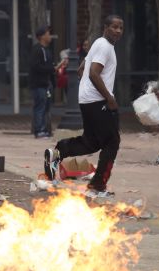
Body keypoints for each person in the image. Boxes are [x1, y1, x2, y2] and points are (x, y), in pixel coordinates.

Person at [44, 15, 123, 196]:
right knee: (112, 142)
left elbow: (82, 70)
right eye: (114, 27)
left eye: (121, 28)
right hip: (98, 101)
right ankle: (97, 186)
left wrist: (87, 90)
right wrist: (108, 98)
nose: (118, 31)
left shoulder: (98, 43)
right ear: (105, 27)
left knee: (91, 142)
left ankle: (57, 152)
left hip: (88, 100)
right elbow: (94, 73)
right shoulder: (105, 47)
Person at [30, 26, 55, 138]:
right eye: (47, 34)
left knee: (46, 107)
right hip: (39, 84)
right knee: (40, 107)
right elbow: (36, 66)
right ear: (41, 37)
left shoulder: (47, 50)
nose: (49, 36)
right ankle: (38, 130)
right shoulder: (37, 50)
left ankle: (44, 129)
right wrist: (51, 69)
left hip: (46, 84)